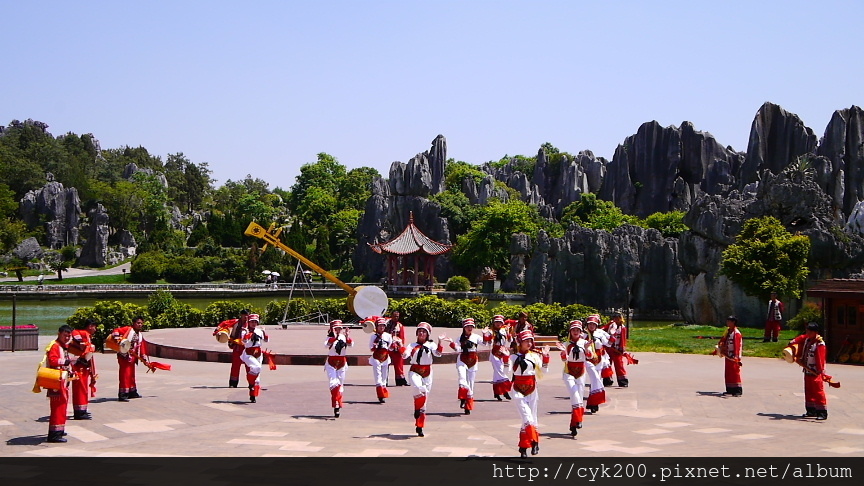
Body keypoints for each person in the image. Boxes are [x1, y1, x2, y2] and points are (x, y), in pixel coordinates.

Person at [511, 330, 550, 457]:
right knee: (527, 417)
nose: (529, 343)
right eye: (526, 341)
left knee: (531, 417)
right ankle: (535, 441)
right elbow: (506, 373)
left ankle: (523, 447)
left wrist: (546, 358)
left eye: (530, 341)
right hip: (517, 389)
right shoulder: (513, 357)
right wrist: (506, 360)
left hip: (532, 389)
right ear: (520, 343)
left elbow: (543, 372)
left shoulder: (534, 356)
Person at [404, 322, 445, 437]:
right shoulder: (412, 345)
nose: (422, 333)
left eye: (424, 332)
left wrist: (440, 341)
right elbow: (405, 356)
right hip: (415, 370)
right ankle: (417, 409)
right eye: (420, 331)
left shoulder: (431, 345)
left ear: (427, 335)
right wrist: (400, 347)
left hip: (427, 372)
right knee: (418, 388)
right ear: (417, 333)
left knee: (425, 397)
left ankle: (420, 425)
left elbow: (438, 354)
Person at [557, 320, 593, 437]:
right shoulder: (566, 344)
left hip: (581, 372)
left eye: (578, 330)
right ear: (570, 331)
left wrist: (587, 349)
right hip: (569, 372)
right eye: (573, 330)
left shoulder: (585, 342)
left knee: (578, 398)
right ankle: (578, 420)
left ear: (581, 331)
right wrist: (563, 352)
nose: (575, 332)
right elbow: (564, 360)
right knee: (575, 394)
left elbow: (590, 357)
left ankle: (575, 423)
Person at [789, 322, 829, 420]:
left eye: (810, 331)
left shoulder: (820, 344)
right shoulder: (807, 340)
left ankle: (822, 412)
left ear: (815, 332)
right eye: (807, 330)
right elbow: (800, 338)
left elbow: (820, 359)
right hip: (807, 370)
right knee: (809, 391)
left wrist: (821, 372)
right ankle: (811, 410)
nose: (808, 333)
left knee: (818, 392)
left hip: (816, 371)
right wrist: (792, 343)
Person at [45, 325, 73, 443]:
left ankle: (59, 429)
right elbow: (52, 360)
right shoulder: (55, 346)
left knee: (63, 406)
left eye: (68, 336)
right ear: (59, 334)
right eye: (65, 335)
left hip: (63, 380)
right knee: (57, 407)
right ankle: (54, 434)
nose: (67, 338)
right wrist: (66, 361)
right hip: (56, 380)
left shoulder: (63, 346)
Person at [449, 318, 482, 414]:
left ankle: (467, 405)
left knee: (470, 383)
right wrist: (452, 344)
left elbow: (487, 344)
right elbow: (458, 350)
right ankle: (463, 397)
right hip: (462, 360)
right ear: (464, 327)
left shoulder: (476, 337)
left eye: (471, 326)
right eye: (468, 326)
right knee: (462, 380)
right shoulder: (459, 338)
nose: (470, 328)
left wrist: (486, 335)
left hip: (473, 361)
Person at [69, 318, 98, 420]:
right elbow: (74, 332)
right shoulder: (83, 333)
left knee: (83, 389)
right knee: (80, 390)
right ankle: (79, 412)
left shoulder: (88, 336)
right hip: (79, 366)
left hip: (84, 366)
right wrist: (81, 342)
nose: (95, 329)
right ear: (90, 326)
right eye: (94, 327)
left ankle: (82, 410)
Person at [111, 316, 145, 402]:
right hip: (124, 356)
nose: (140, 325)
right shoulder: (128, 329)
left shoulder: (139, 334)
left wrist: (143, 355)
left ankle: (132, 392)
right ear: (133, 323)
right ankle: (123, 394)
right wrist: (117, 338)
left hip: (133, 356)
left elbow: (141, 345)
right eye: (138, 323)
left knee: (131, 375)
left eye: (141, 323)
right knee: (125, 375)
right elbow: (116, 330)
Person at [325, 320, 352, 417]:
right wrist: (334, 338)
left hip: (342, 362)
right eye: (336, 328)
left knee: (340, 384)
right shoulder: (329, 337)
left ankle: (338, 404)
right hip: (331, 362)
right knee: (333, 383)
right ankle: (335, 404)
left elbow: (351, 345)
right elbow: (326, 345)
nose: (338, 330)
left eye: (339, 328)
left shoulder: (343, 337)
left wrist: (347, 336)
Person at [482, 315, 513, 400]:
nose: (498, 324)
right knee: (500, 371)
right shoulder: (491, 331)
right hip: (495, 353)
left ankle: (497, 393)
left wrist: (508, 333)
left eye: (500, 322)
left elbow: (510, 340)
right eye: (496, 322)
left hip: (503, 351)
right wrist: (484, 334)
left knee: (499, 373)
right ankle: (506, 391)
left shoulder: (504, 330)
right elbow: (487, 342)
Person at [584, 316, 609, 413]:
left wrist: (613, 335)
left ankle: (593, 403)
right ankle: (595, 401)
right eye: (590, 324)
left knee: (597, 380)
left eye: (593, 324)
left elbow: (608, 344)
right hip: (588, 360)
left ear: (596, 325)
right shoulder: (583, 335)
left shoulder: (600, 334)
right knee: (595, 378)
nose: (591, 326)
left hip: (599, 359)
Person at [712, 315, 743, 396]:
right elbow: (723, 340)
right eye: (727, 321)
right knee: (728, 373)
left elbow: (737, 345)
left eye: (729, 321)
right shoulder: (728, 331)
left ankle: (737, 390)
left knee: (735, 373)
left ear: (733, 322)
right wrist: (718, 349)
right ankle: (730, 389)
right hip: (728, 355)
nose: (727, 323)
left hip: (734, 357)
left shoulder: (736, 333)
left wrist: (736, 356)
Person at [241, 314, 268, 403]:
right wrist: (246, 334)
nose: (253, 324)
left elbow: (266, 340)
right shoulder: (245, 331)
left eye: (255, 322)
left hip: (259, 353)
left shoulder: (259, 331)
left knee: (257, 378)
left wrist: (264, 332)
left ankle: (253, 395)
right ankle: (251, 383)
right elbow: (244, 342)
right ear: (249, 322)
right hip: (249, 353)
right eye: (252, 322)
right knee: (257, 368)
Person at [369, 317, 397, 403]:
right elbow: (371, 348)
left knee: (384, 376)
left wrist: (394, 345)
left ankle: (383, 393)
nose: (382, 328)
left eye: (383, 326)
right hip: (376, 358)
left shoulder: (388, 336)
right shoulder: (373, 336)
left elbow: (391, 348)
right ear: (376, 327)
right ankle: (380, 394)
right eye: (380, 326)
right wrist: (375, 346)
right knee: (378, 376)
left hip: (385, 358)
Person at [225, 309, 250, 388]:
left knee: (249, 365)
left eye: (247, 315)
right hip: (237, 347)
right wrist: (230, 342)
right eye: (244, 315)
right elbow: (233, 334)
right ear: (241, 315)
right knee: (235, 366)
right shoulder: (236, 324)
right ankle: (233, 383)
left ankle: (251, 382)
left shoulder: (251, 324)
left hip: (247, 348)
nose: (245, 317)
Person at [604, 311, 629, 387]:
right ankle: (607, 380)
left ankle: (622, 381)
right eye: (615, 318)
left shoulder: (623, 328)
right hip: (609, 348)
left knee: (619, 365)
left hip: (617, 349)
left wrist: (622, 349)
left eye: (618, 318)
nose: (616, 320)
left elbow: (623, 339)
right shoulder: (610, 326)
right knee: (607, 364)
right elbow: (603, 330)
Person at [386, 311, 408, 386]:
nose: (396, 318)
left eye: (397, 316)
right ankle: (384, 380)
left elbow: (402, 337)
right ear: (391, 316)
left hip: (397, 347)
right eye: (395, 316)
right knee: (385, 364)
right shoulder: (386, 324)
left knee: (399, 364)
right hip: (387, 347)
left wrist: (401, 346)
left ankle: (400, 381)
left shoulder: (400, 326)